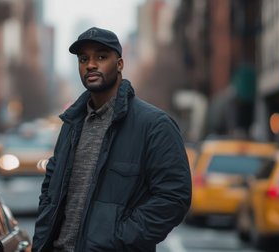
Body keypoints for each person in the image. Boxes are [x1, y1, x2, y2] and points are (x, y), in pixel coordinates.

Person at [32, 27, 192, 252]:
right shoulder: (72, 124)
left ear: (119, 64)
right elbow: (50, 190)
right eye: (83, 59)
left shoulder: (155, 125)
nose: (90, 65)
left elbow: (174, 197)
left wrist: (117, 238)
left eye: (101, 57)